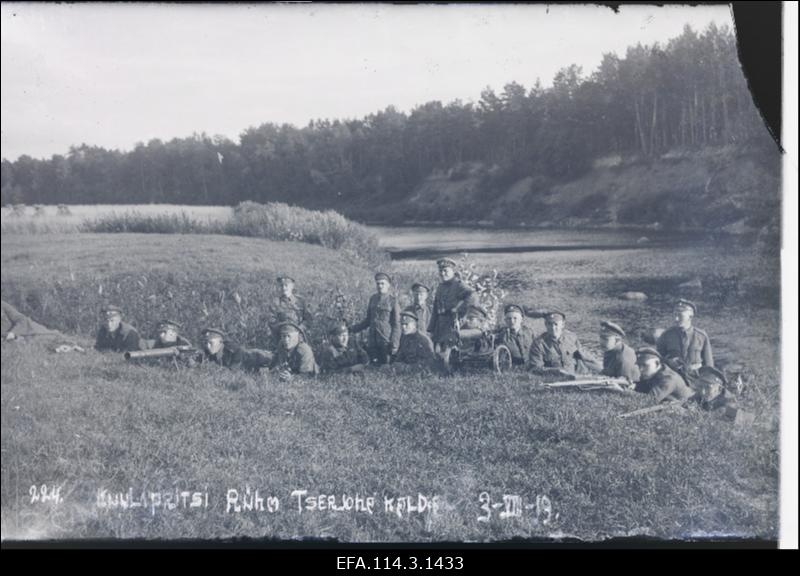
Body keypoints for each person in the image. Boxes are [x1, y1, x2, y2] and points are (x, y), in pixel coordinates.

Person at [428, 258, 479, 371]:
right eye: (441, 271)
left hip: (453, 322)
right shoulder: (440, 287)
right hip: (440, 323)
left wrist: (459, 309)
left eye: (446, 270)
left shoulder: (458, 285)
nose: (443, 273)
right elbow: (436, 309)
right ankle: (440, 370)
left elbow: (473, 296)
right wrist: (431, 328)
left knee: (451, 348)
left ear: (452, 271)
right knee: (437, 349)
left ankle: (452, 370)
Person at [656, 298, 714, 384]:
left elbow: (709, 365)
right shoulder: (666, 335)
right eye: (675, 315)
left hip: (696, 378)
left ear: (690, 316)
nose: (676, 319)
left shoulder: (701, 336)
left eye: (680, 316)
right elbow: (658, 359)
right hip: (674, 378)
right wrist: (669, 362)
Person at [528, 309, 600, 376]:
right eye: (549, 324)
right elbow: (535, 369)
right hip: (556, 380)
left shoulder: (571, 337)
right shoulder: (538, 344)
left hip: (578, 376)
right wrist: (555, 371)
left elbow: (584, 356)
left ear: (562, 325)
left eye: (556, 324)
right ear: (545, 324)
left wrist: (601, 368)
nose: (553, 328)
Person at [350, 272, 401, 364]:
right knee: (374, 365)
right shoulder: (373, 299)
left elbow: (397, 324)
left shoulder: (393, 301)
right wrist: (353, 329)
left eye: (382, 283)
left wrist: (394, 343)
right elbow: (368, 320)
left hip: (386, 340)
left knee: (386, 366)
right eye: (378, 283)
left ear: (388, 285)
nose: (380, 286)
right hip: (373, 340)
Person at [200, 328, 272, 372]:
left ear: (220, 342)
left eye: (211, 343)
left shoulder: (234, 350)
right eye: (206, 343)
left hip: (258, 357)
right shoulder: (208, 353)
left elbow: (233, 371)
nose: (208, 346)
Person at [268, 276, 312, 347]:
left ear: (292, 286)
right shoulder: (275, 302)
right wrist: (283, 330)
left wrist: (300, 329)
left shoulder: (300, 301)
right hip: (281, 339)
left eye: (286, 285)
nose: (284, 288)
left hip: (299, 337)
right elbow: (271, 321)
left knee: (305, 353)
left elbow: (308, 319)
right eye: (281, 285)